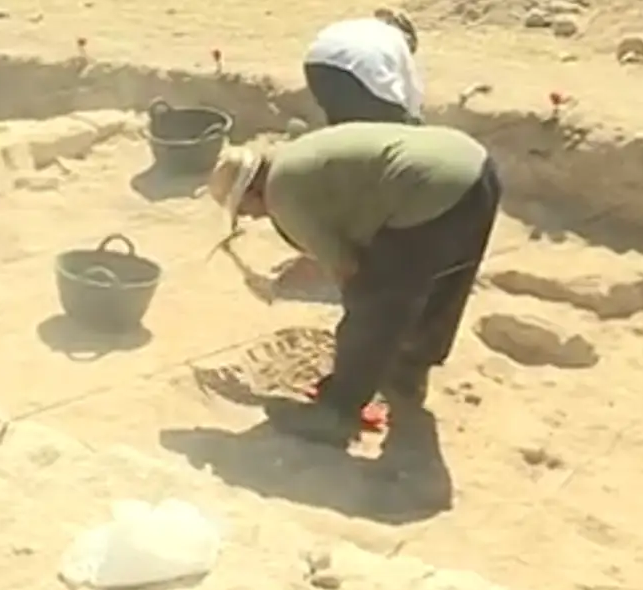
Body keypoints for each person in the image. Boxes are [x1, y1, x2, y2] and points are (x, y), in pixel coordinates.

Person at [206, 123, 501, 446]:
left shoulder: (281, 195)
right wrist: (283, 282)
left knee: (374, 304)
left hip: (426, 192)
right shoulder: (297, 159)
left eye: (243, 209)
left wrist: (351, 310)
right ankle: (408, 372)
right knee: (442, 282)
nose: (249, 218)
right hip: (475, 171)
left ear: (252, 191)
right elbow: (332, 245)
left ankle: (335, 412)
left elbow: (348, 268)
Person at [303, 9, 425, 127]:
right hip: (358, 70)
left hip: (315, 65)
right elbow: (412, 87)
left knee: (341, 121)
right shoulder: (397, 38)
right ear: (408, 37)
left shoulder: (355, 26)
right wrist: (413, 117)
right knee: (392, 122)